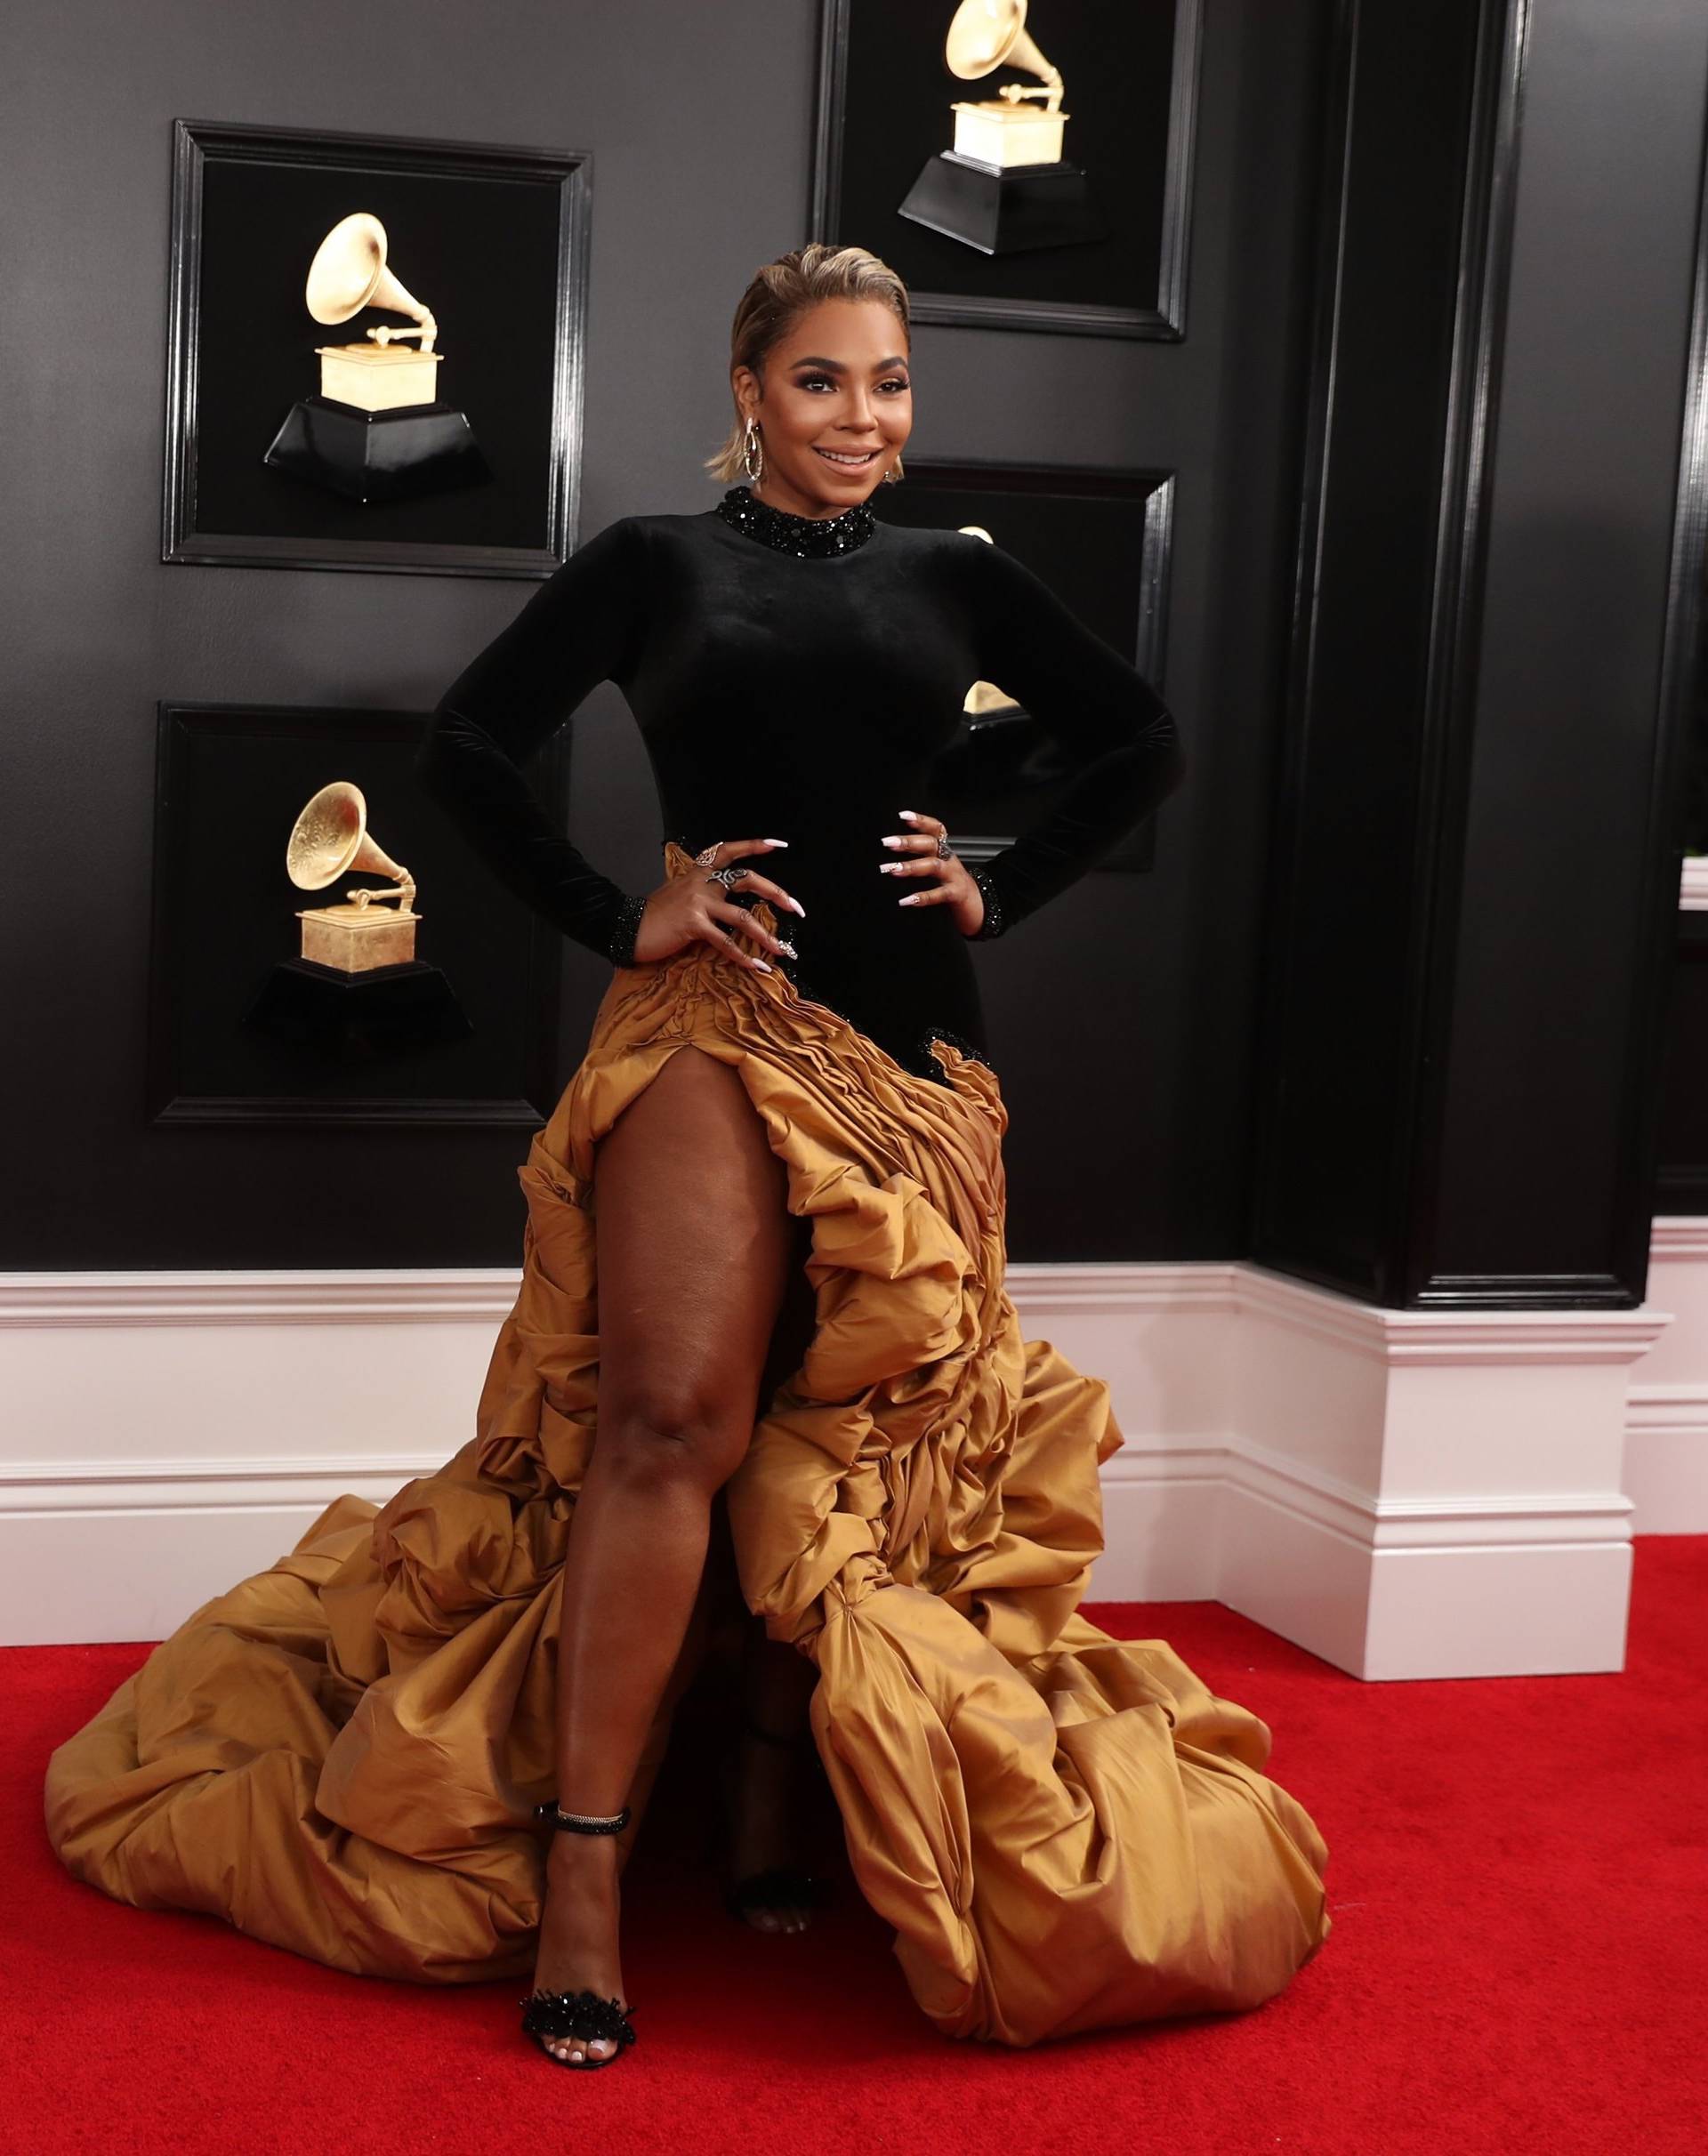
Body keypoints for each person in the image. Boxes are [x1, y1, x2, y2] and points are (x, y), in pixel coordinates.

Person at [43, 243, 1332, 2069]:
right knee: (666, 1419)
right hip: (713, 1029)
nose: (862, 419)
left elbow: (1141, 740)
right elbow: (471, 742)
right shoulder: (656, 561)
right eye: (823, 382)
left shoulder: (957, 576)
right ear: (749, 392)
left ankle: (756, 1787)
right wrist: (621, 907)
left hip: (914, 1061)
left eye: (889, 384)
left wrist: (1005, 877)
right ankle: (580, 1862)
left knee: (846, 1442)